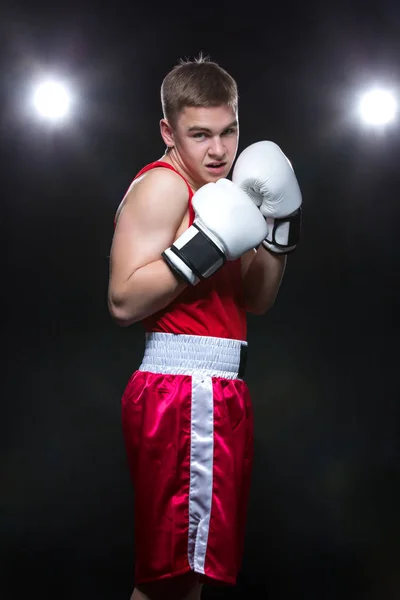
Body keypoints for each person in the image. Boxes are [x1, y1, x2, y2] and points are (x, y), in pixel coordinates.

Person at [108, 54, 302, 600]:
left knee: (191, 576)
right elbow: (122, 301)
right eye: (200, 135)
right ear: (169, 132)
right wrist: (207, 244)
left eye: (228, 131)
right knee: (168, 580)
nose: (218, 150)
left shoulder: (228, 193)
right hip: (181, 390)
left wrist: (276, 229)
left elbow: (257, 301)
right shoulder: (165, 187)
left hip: (219, 390)